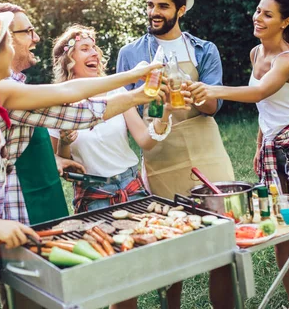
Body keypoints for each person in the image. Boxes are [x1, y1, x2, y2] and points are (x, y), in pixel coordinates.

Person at [0, 0, 161, 309]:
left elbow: (70, 93)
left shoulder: (1, 93)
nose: (26, 41)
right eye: (10, 38)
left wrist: (138, 78)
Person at [0, 3, 166, 309]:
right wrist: (135, 83)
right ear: (4, 40)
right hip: (19, 206)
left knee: (38, 293)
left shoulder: (15, 86)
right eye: (27, 31)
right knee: (30, 294)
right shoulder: (7, 90)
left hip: (42, 201)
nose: (36, 37)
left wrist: (141, 97)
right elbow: (77, 105)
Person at [189, 0, 289, 309]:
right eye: (258, 11)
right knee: (282, 231)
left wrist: (211, 89)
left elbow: (259, 92)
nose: (258, 18)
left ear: (285, 21)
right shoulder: (256, 53)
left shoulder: (288, 60)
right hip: (273, 151)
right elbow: (266, 109)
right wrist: (261, 144)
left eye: (267, 14)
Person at [49, 25, 192, 309]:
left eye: (95, 47)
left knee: (156, 261)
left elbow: (144, 140)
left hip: (133, 189)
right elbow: (58, 160)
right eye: (85, 48)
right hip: (95, 196)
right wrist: (65, 143)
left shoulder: (115, 90)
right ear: (68, 60)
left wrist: (164, 112)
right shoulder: (59, 101)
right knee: (118, 278)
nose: (95, 53)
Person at [116, 0, 235, 309]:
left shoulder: (204, 50)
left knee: (221, 238)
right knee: (170, 242)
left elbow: (213, 107)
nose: (154, 12)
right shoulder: (131, 54)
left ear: (180, 10)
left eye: (163, 6)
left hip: (206, 149)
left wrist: (197, 91)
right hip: (161, 154)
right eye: (151, 4)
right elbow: (124, 109)